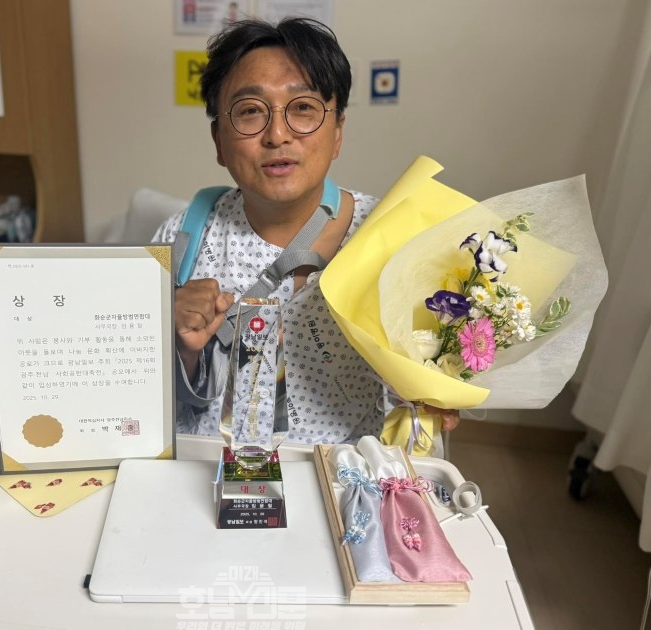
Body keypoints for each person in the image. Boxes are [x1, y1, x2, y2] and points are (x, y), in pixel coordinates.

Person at [153, 17, 458, 446]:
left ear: (338, 133)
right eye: (250, 111)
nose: (278, 135)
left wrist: (440, 388)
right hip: (206, 471)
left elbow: (422, 395)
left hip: (341, 475)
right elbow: (136, 390)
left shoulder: (392, 237)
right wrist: (177, 347)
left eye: (303, 108)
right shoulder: (179, 238)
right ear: (219, 140)